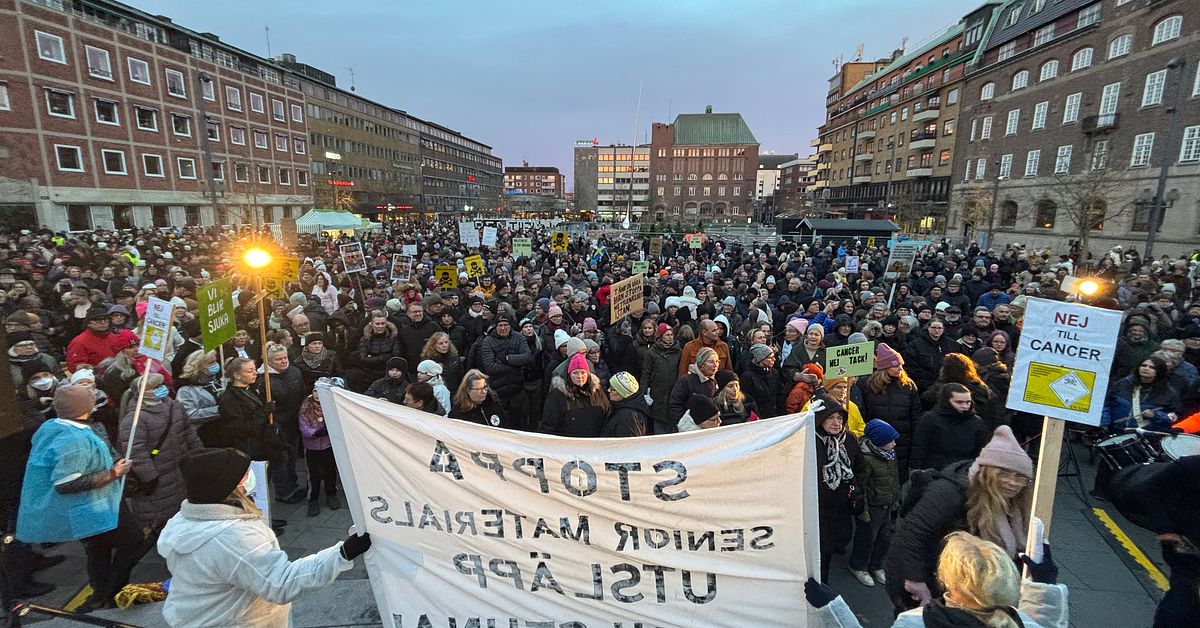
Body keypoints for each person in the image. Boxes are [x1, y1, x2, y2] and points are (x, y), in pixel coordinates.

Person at [157, 447, 371, 627]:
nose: (250, 477)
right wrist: (342, 553)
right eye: (243, 475)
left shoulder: (186, 518)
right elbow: (281, 584)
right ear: (229, 487)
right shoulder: (233, 538)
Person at [16, 385, 141, 612]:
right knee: (132, 542)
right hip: (96, 505)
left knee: (98, 549)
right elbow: (66, 483)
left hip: (94, 504)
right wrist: (114, 473)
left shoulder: (57, 427)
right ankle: (110, 591)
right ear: (86, 408)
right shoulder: (73, 440)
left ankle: (101, 593)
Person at [885, 425, 1034, 612]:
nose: (1013, 482)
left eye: (1020, 477)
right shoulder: (949, 493)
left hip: (968, 592)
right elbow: (913, 535)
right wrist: (916, 582)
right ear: (986, 473)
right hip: (932, 586)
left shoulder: (1012, 504)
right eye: (1004, 474)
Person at [808, 531, 1068, 628]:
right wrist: (1044, 588)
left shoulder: (916, 623)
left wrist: (833, 611)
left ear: (948, 580)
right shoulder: (1021, 623)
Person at [117, 372, 203, 531]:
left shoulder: (174, 406)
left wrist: (199, 454)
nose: (161, 389)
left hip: (179, 468)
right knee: (160, 513)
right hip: (157, 475)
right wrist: (150, 477)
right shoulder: (135, 419)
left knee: (181, 508)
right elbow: (136, 452)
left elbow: (188, 431)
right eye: (155, 387)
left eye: (161, 385)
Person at [812, 395, 861, 584]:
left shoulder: (849, 439)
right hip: (818, 504)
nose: (836, 423)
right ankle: (821, 583)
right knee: (821, 549)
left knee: (834, 543)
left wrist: (856, 488)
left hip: (841, 504)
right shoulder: (809, 440)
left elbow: (859, 467)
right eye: (831, 418)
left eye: (840, 418)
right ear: (820, 419)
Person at [857, 343, 923, 479]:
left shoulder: (908, 385)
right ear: (884, 367)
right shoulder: (866, 384)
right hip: (875, 442)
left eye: (900, 365)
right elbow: (862, 413)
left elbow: (915, 416)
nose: (900, 368)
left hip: (902, 442)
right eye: (895, 365)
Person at [848, 419, 901, 588]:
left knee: (884, 537)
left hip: (888, 503)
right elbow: (860, 486)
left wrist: (896, 497)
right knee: (866, 538)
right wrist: (862, 510)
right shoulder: (866, 459)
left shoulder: (890, 455)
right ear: (878, 441)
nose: (893, 444)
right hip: (872, 506)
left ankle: (876, 565)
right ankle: (859, 565)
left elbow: (894, 478)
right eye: (890, 441)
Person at [203, 357, 274, 463]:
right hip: (248, 449)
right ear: (237, 375)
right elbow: (241, 429)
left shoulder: (250, 389)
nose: (255, 373)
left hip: (261, 444)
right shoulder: (229, 399)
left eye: (255, 369)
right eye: (250, 371)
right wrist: (264, 412)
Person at [911, 382, 987, 472]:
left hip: (965, 471)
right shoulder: (929, 419)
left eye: (968, 402)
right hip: (935, 472)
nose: (965, 406)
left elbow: (980, 451)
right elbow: (919, 448)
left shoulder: (977, 422)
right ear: (946, 401)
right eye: (959, 402)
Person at [1102, 356, 1180, 431]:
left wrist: (1155, 415)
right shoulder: (1122, 384)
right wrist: (1104, 423)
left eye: (1152, 367)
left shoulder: (1168, 392)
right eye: (1144, 365)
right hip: (1114, 430)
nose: (1146, 368)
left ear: (1160, 371)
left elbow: (1174, 417)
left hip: (1145, 434)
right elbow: (1106, 404)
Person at [540, 353, 609, 437]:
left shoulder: (597, 391)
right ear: (569, 375)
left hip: (594, 443)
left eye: (583, 372)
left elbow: (607, 413)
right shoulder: (557, 395)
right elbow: (548, 425)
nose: (579, 376)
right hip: (568, 445)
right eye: (575, 373)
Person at [298, 383, 340, 517]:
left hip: (327, 446)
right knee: (313, 475)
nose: (317, 394)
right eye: (315, 391)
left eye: (320, 391)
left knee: (330, 472)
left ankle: (331, 494)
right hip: (312, 447)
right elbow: (303, 426)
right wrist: (315, 433)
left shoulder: (330, 406)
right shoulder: (305, 407)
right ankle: (313, 499)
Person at [641, 322, 681, 435]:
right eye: (667, 335)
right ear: (661, 336)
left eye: (671, 334)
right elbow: (646, 373)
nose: (670, 337)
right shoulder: (652, 353)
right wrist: (644, 392)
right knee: (659, 425)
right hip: (657, 394)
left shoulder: (678, 351)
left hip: (673, 393)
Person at [669, 346, 721, 428]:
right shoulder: (686, 380)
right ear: (701, 364)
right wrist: (683, 424)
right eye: (711, 361)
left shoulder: (714, 381)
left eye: (717, 361)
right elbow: (675, 404)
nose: (715, 365)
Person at [449, 369, 513, 429]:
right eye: (478, 389)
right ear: (468, 390)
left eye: (485, 387)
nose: (484, 392)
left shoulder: (492, 400)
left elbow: (506, 423)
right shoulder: (458, 414)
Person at [739, 343, 787, 419]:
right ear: (760, 358)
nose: (774, 360)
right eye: (770, 358)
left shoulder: (774, 372)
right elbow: (746, 400)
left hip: (775, 415)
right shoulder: (747, 377)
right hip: (759, 417)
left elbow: (780, 394)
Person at [602, 372, 651, 437]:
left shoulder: (627, 416)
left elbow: (627, 443)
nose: (608, 390)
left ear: (623, 393)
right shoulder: (625, 407)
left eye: (613, 389)